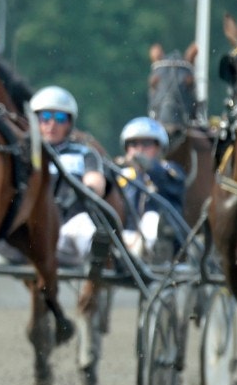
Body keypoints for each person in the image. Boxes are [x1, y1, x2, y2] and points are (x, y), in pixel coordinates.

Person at [31, 85, 108, 266]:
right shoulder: (25, 154)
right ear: (36, 121)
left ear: (69, 123)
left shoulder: (84, 153)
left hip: (68, 226)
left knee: (83, 226)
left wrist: (88, 189)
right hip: (32, 230)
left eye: (60, 118)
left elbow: (96, 183)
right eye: (45, 117)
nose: (52, 124)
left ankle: (97, 256)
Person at [114, 116, 186, 261]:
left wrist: (146, 166)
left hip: (163, 239)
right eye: (133, 144)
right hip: (126, 234)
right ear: (126, 148)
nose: (139, 149)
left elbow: (169, 184)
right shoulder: (121, 174)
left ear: (159, 147)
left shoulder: (170, 169)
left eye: (146, 144)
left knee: (151, 219)